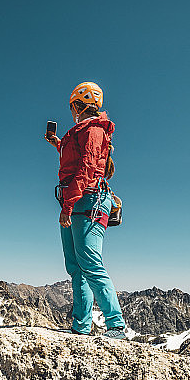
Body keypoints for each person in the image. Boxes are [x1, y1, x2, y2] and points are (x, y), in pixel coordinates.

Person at [45, 81, 126, 339]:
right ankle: (81, 326)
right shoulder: (82, 131)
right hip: (77, 200)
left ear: (78, 105)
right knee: (76, 266)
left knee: (90, 263)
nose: (70, 111)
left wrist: (68, 206)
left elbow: (87, 167)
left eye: (72, 106)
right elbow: (76, 156)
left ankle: (117, 326)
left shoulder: (94, 130)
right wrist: (57, 142)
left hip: (87, 201)